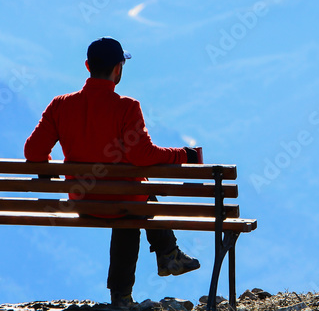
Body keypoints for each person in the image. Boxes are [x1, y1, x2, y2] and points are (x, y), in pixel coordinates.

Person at [24, 37, 202, 307]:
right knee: (133, 202)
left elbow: (33, 151)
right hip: (124, 204)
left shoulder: (60, 105)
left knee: (132, 199)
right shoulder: (127, 107)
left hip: (82, 202)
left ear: (87, 66)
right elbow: (143, 156)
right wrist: (184, 155)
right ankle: (161, 261)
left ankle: (163, 260)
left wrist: (50, 177)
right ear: (119, 68)